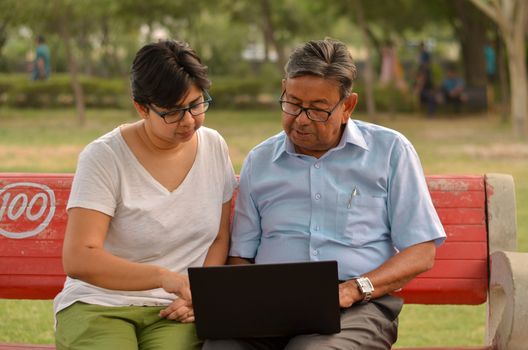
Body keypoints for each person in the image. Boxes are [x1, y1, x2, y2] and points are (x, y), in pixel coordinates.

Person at [204, 38, 446, 350]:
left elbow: (421, 252)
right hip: (270, 304)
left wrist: (354, 289)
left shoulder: (390, 151)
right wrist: (255, 303)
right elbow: (241, 255)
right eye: (292, 104)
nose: (301, 119)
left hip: (357, 306)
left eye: (317, 109)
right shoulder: (260, 160)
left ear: (347, 106)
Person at [53, 39, 237, 350]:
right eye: (173, 113)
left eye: (196, 104)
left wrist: (200, 297)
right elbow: (79, 257)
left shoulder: (214, 146)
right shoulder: (104, 157)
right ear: (141, 107)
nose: (189, 121)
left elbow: (219, 237)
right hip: (100, 305)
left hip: (176, 311)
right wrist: (164, 277)